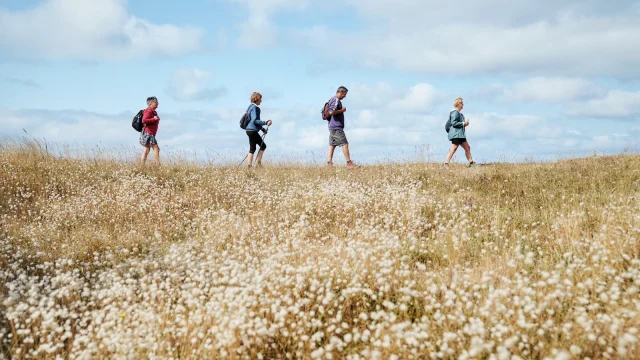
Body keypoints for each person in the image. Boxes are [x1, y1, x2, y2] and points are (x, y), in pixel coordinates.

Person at [327, 86, 358, 168]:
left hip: (332, 126)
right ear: (340, 92)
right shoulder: (336, 100)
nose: (345, 96)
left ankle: (329, 163)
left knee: (332, 145)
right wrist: (342, 110)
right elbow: (331, 112)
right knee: (345, 144)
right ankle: (349, 163)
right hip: (336, 127)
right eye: (344, 94)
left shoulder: (332, 99)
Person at [444, 97, 476, 168]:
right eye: (462, 103)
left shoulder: (459, 114)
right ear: (458, 104)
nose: (463, 104)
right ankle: (446, 164)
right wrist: (464, 123)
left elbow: (458, 124)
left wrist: (464, 124)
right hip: (456, 135)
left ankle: (471, 163)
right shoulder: (455, 113)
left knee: (467, 147)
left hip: (460, 135)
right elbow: (454, 123)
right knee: (453, 149)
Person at [245, 92, 272, 167]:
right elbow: (255, 121)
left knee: (252, 148)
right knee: (263, 146)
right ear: (256, 99)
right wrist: (266, 122)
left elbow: (253, 121)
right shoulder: (255, 108)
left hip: (249, 130)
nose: (261, 101)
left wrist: (263, 129)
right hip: (252, 131)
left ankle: (250, 167)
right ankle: (258, 164)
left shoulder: (250, 107)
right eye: (260, 99)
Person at [140, 96, 160, 166]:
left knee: (146, 149)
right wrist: (153, 119)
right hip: (148, 132)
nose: (158, 103)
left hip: (150, 133)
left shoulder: (153, 112)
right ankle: (157, 165)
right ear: (151, 103)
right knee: (156, 148)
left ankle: (142, 166)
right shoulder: (148, 111)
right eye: (156, 102)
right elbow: (144, 120)